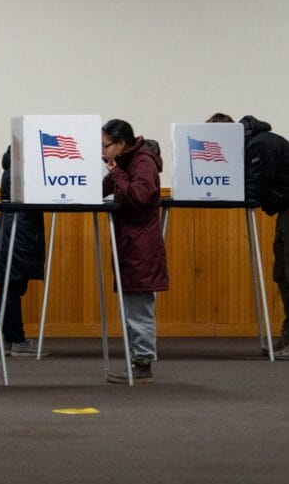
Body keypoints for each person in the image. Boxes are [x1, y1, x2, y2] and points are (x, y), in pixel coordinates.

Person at [208, 112, 289, 359]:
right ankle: (288, 338)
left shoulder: (259, 144)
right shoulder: (256, 142)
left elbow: (257, 187)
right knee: (283, 274)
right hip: (285, 209)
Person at [101, 119, 168, 383]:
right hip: (131, 244)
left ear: (121, 144)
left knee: (139, 310)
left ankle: (143, 363)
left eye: (106, 145)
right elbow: (108, 188)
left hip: (141, 246)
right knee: (131, 310)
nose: (103, 151)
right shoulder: (128, 163)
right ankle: (136, 361)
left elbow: (138, 197)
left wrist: (116, 173)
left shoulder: (143, 163)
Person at [0, 145, 47, 356]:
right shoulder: (21, 173)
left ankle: (10, 339)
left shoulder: (12, 169)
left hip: (11, 230)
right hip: (17, 234)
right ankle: (16, 340)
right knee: (12, 288)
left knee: (9, 288)